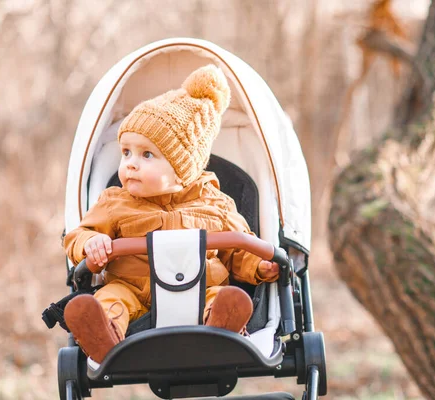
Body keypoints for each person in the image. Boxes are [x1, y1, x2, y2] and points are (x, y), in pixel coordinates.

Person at [63, 65, 279, 364]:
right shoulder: (114, 202)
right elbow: (78, 234)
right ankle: (105, 335)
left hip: (200, 287)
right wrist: (91, 244)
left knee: (220, 296)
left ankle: (221, 327)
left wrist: (259, 265)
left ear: (182, 168)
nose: (130, 164)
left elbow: (240, 248)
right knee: (110, 298)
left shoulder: (216, 205)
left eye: (146, 155)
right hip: (132, 290)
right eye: (126, 152)